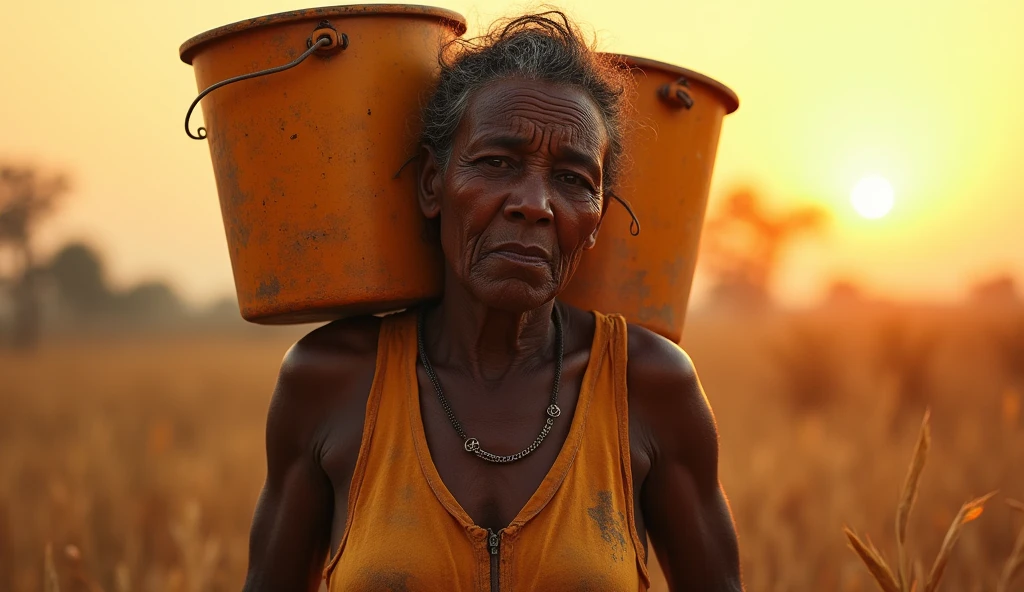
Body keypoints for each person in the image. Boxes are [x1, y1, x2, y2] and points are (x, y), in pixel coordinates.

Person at [242, 11, 743, 592]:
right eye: (496, 163)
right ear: (434, 183)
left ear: (598, 219)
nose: (535, 204)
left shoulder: (649, 387)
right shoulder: (330, 379)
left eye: (574, 179)